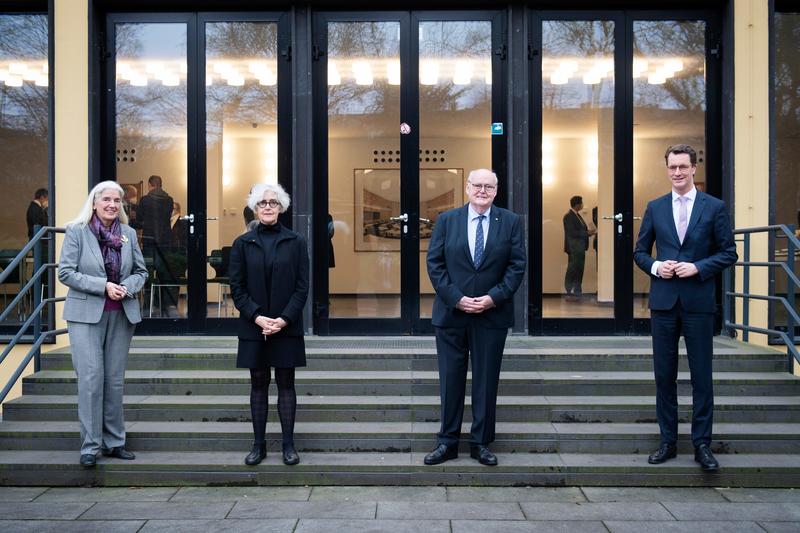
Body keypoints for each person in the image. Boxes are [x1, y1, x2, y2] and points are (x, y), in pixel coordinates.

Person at [634, 144, 737, 472]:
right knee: (664, 375)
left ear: (694, 168)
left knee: (701, 376)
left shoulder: (714, 207)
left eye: (683, 167)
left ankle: (702, 444)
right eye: (672, 167)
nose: (677, 173)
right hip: (663, 303)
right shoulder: (655, 207)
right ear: (666, 169)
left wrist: (698, 267)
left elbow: (729, 252)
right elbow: (639, 252)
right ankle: (667, 441)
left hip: (698, 302)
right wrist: (655, 267)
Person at [424, 168, 526, 467]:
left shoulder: (510, 221)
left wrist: (493, 297)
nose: (483, 191)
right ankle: (447, 442)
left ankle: (481, 443)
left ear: (496, 191)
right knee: (450, 380)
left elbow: (516, 266)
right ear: (467, 188)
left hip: (491, 315)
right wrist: (457, 298)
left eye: (489, 187)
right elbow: (435, 264)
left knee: (485, 381)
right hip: (451, 314)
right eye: (477, 185)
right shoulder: (447, 220)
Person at [58, 180, 148, 467]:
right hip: (85, 315)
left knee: (114, 381)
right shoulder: (77, 231)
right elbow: (66, 273)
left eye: (117, 200)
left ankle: (115, 442)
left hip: (121, 313)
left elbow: (141, 271)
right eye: (106, 199)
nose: (112, 204)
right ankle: (90, 446)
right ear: (94, 203)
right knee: (91, 379)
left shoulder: (129, 234)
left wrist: (127, 286)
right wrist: (104, 286)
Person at [229, 183, 309, 466]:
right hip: (254, 326)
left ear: (281, 207)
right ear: (254, 207)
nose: (267, 207)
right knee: (258, 383)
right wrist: (257, 316)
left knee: (287, 383)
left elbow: (302, 287)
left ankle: (288, 445)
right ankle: (258, 445)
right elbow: (236, 288)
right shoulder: (242, 244)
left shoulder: (296, 241)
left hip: (287, 326)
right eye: (262, 203)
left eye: (272, 203)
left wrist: (284, 319)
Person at [137, 175, 177, 316]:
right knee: (164, 273)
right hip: (165, 241)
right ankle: (166, 305)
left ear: (150, 185)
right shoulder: (169, 200)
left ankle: (149, 306)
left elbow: (139, 219)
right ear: (161, 184)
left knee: (147, 274)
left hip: (149, 241)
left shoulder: (145, 200)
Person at [562, 195, 594, 301]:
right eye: (581, 203)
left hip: (580, 248)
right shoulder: (568, 216)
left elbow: (579, 231)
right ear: (577, 204)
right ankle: (569, 291)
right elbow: (572, 232)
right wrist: (587, 233)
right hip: (574, 249)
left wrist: (588, 233)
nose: (583, 205)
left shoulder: (577, 215)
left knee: (579, 270)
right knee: (572, 270)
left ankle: (577, 292)